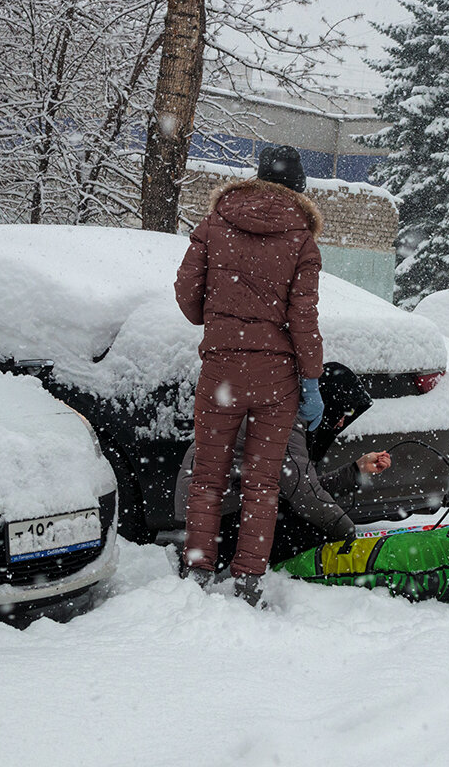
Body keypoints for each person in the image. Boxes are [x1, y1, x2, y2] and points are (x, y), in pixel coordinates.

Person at [174, 144, 325, 607]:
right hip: (276, 378)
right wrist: (312, 380)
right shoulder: (302, 240)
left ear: (257, 178)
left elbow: (185, 291)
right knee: (263, 482)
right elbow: (303, 318)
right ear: (299, 190)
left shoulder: (216, 223)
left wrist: (217, 320)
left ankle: (198, 568)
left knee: (208, 476)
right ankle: (248, 578)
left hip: (221, 369)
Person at [173, 362, 392, 572]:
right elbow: (305, 496)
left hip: (212, 514)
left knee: (306, 517)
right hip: (217, 519)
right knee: (312, 530)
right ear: (327, 401)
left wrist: (356, 470)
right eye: (343, 414)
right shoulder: (283, 420)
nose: (341, 423)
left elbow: (303, 487)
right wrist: (348, 533)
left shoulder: (281, 404)